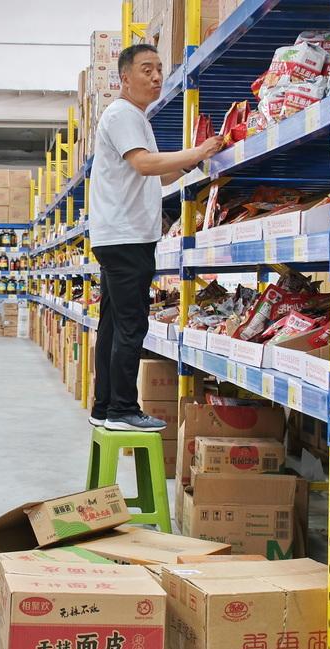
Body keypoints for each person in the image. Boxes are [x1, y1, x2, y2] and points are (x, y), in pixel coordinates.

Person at [88, 43, 224, 432]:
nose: (156, 76)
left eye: (159, 69)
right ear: (124, 77)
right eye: (146, 69)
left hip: (121, 236)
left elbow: (157, 175)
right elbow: (145, 164)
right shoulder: (123, 114)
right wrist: (196, 149)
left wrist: (195, 161)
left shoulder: (134, 119)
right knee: (131, 324)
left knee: (114, 322)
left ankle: (105, 405)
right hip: (127, 237)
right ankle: (123, 410)